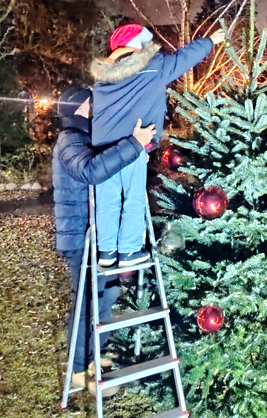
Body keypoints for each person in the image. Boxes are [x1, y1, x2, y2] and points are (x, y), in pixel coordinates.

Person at [89, 24, 226, 268]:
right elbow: (183, 59)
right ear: (136, 45)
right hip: (133, 146)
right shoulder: (152, 67)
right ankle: (129, 251)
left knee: (108, 202)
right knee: (132, 199)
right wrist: (210, 42)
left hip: (102, 153)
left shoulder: (102, 78)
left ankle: (106, 251)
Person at [52, 86, 156, 395]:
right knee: (87, 302)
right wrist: (132, 146)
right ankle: (79, 370)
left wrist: (136, 153)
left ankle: (96, 357)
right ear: (75, 110)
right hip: (81, 238)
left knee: (106, 296)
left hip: (99, 236)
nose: (95, 110)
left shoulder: (89, 139)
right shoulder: (70, 141)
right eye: (90, 106)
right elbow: (92, 170)